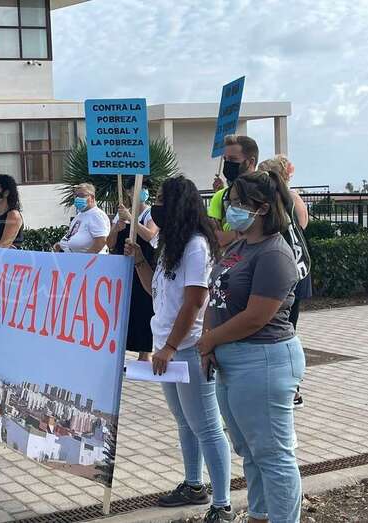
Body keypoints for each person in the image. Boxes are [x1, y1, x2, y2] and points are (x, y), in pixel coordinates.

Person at [198, 170, 305, 523]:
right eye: (231, 202)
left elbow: (256, 317)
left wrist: (210, 339)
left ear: (262, 208)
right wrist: (209, 343)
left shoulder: (275, 254)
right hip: (232, 361)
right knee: (251, 452)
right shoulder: (240, 246)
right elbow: (216, 295)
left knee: (274, 456)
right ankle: (260, 515)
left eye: (238, 203)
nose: (230, 209)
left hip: (263, 360)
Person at [125, 176, 234, 522]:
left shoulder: (197, 246)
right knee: (185, 422)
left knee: (207, 426)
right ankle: (193, 484)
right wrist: (140, 261)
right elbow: (156, 291)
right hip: (167, 347)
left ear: (177, 206)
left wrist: (171, 346)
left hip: (186, 349)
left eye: (161, 200)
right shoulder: (171, 244)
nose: (155, 206)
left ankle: (223, 505)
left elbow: (194, 301)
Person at [259, 155, 311, 409]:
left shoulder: (279, 200)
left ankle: (292, 389)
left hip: (286, 268)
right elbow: (303, 224)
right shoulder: (292, 198)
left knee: (283, 329)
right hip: (298, 267)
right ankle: (289, 387)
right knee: (288, 326)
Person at [107, 180, 158, 361]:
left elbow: (150, 235)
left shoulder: (150, 213)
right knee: (126, 311)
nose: (142, 191)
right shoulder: (121, 214)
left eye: (144, 188)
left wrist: (131, 218)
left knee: (145, 310)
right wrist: (116, 228)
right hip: (124, 270)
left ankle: (145, 355)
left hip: (144, 267)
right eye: (137, 188)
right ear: (128, 192)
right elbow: (110, 244)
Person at [208, 135, 259, 247]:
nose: (227, 164)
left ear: (251, 162)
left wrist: (231, 235)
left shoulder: (265, 193)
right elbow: (215, 239)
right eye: (225, 160)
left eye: (233, 159)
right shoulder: (221, 196)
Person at [53, 183, 110, 254]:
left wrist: (85, 258)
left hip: (91, 259)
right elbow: (73, 235)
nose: (78, 198)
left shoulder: (96, 215)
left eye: (82, 195)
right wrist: (61, 245)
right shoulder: (80, 215)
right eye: (76, 196)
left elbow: (101, 241)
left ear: (92, 198)